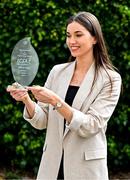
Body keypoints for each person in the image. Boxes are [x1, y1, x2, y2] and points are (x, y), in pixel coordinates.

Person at [7, 11, 122, 180]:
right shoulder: (57, 71)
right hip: (51, 166)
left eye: (78, 35)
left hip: (86, 168)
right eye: (68, 35)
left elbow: (91, 125)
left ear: (95, 38)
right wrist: (26, 99)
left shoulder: (110, 79)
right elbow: (41, 121)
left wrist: (55, 101)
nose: (71, 41)